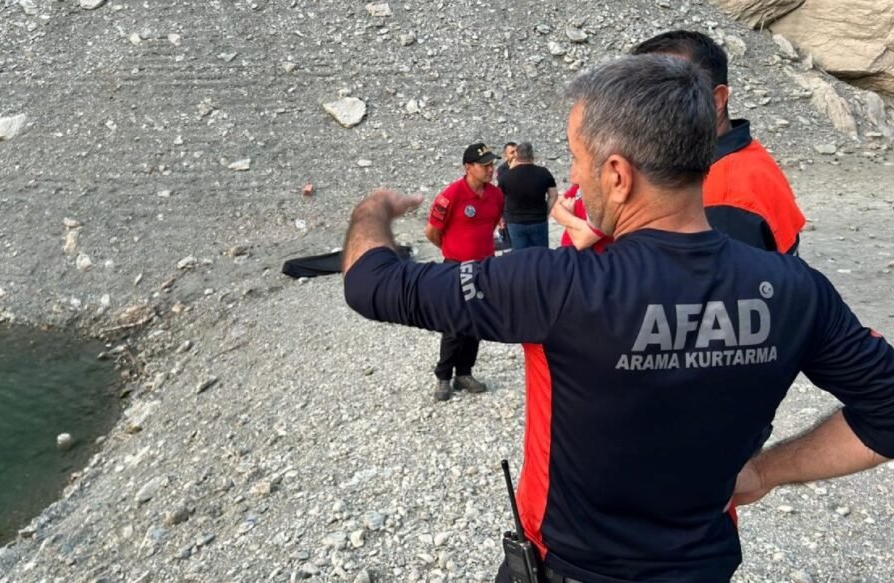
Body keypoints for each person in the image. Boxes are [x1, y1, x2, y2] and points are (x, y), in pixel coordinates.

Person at [342, 55, 894, 583]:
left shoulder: (557, 285)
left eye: (578, 162)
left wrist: (371, 210)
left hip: (571, 566)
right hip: (703, 566)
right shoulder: (796, 290)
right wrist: (767, 471)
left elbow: (373, 285)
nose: (575, 182)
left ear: (617, 175)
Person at [559, 30, 806, 255]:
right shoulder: (747, 158)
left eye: (677, 88)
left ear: (717, 100)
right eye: (644, 94)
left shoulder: (719, 196)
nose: (645, 108)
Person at [422, 143, 505, 402]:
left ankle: (465, 372)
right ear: (468, 168)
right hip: (456, 267)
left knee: (476, 320)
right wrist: (451, 252)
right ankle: (443, 376)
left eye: (492, 164)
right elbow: (432, 232)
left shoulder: (496, 195)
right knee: (453, 322)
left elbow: (491, 224)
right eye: (485, 165)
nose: (491, 170)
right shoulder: (451, 195)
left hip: (484, 268)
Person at [498, 142, 558, 250]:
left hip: (515, 222)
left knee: (520, 257)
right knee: (541, 255)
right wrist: (546, 211)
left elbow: (498, 198)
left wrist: (502, 217)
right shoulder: (544, 173)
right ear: (532, 155)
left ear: (517, 155)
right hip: (538, 220)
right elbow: (553, 195)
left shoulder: (506, 176)